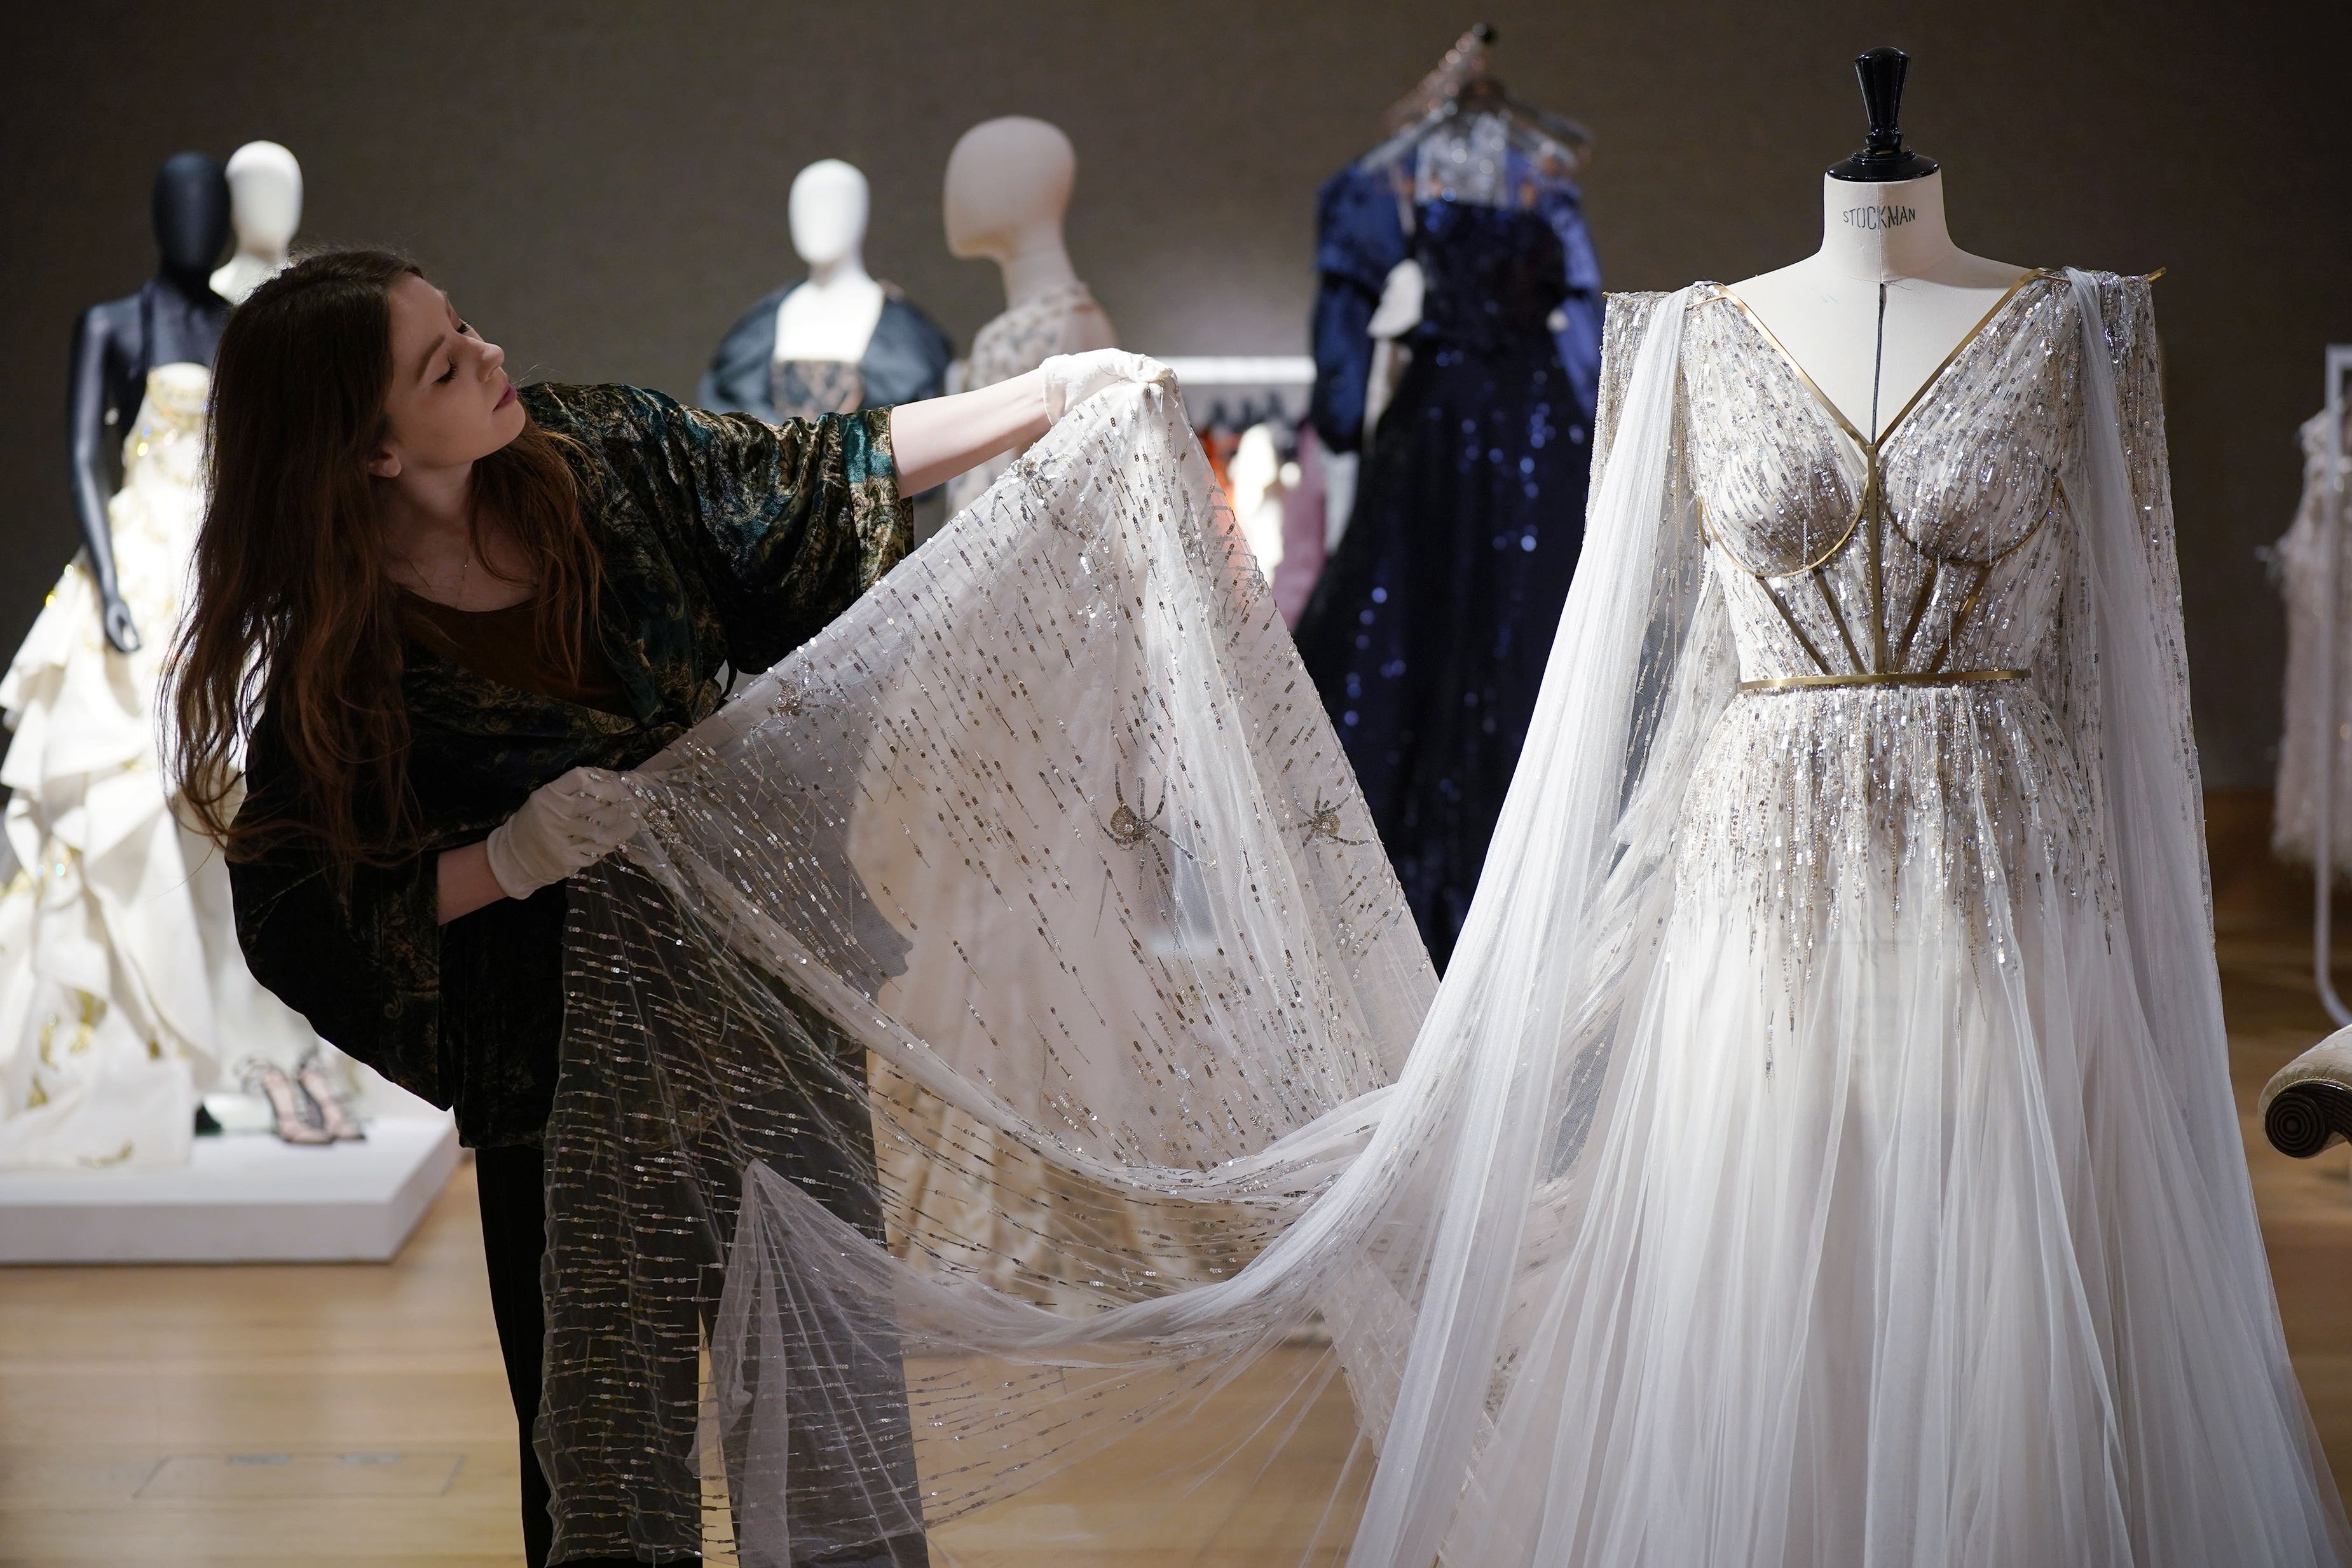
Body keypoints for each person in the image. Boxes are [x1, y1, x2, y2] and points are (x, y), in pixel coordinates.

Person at [168, 247, 1164, 1568]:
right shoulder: (344, 665)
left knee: (829, 1420)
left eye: (464, 323)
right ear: (371, 452)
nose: (488, 353)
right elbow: (305, 910)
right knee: (608, 1458)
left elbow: (816, 473)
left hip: (757, 1012)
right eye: (442, 365)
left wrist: (1048, 393)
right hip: (568, 1082)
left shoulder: (603, 458)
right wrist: (504, 863)